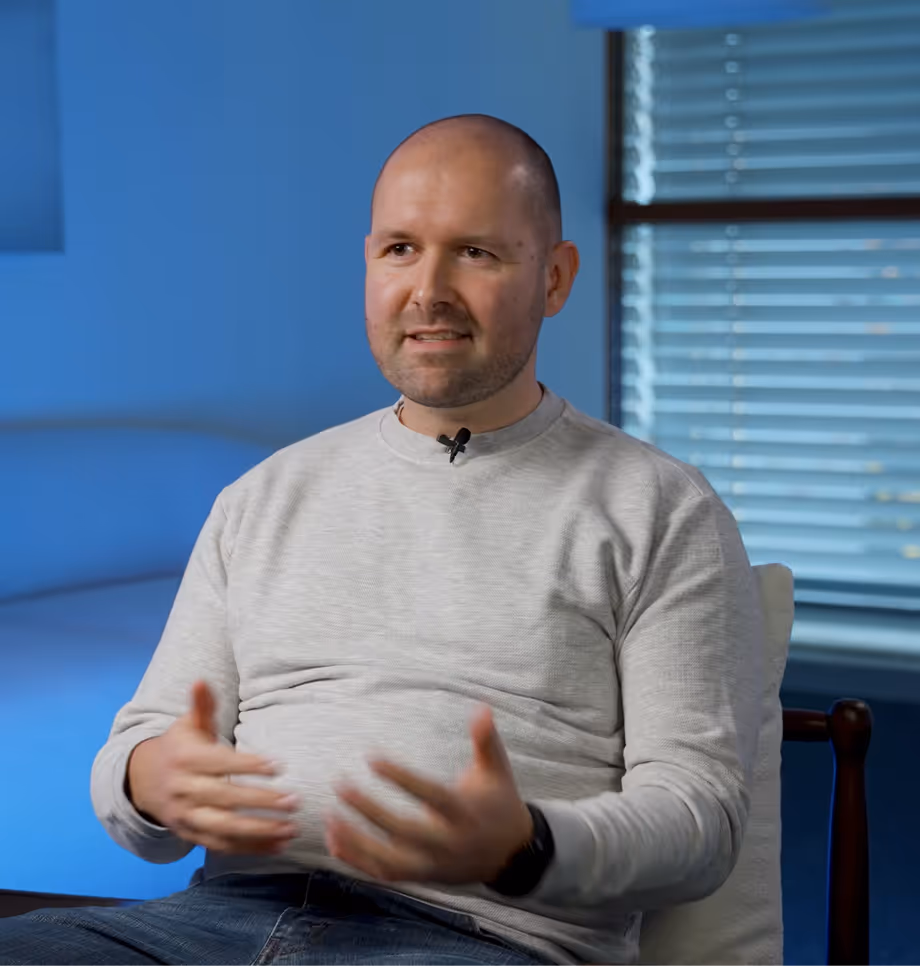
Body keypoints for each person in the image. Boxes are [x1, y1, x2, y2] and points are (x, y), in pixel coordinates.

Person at [0, 114, 764, 966]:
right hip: (211, 922)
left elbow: (701, 820)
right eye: (401, 249)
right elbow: (136, 757)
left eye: (475, 252)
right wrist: (150, 780)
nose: (428, 291)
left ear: (554, 278)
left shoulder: (661, 509)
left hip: (476, 941)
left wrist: (524, 844)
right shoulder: (262, 497)